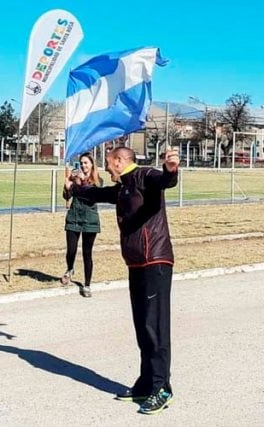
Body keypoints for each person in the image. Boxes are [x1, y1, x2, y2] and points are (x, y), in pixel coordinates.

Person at [65, 146, 180, 415]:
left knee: (155, 327)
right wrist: (75, 187)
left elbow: (164, 181)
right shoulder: (123, 187)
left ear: (120, 161)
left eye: (108, 162)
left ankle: (162, 388)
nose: (105, 167)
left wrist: (171, 170)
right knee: (142, 326)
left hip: (155, 261)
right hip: (136, 263)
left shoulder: (144, 175)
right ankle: (145, 383)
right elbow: (96, 193)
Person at [61, 152, 103, 298]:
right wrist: (67, 185)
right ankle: (70, 269)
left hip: (90, 220)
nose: (84, 166)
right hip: (73, 217)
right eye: (82, 163)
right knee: (71, 250)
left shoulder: (98, 181)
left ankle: (87, 285)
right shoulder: (74, 179)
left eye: (86, 163)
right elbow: (67, 197)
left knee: (87, 253)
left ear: (92, 164)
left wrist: (81, 181)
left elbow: (91, 197)